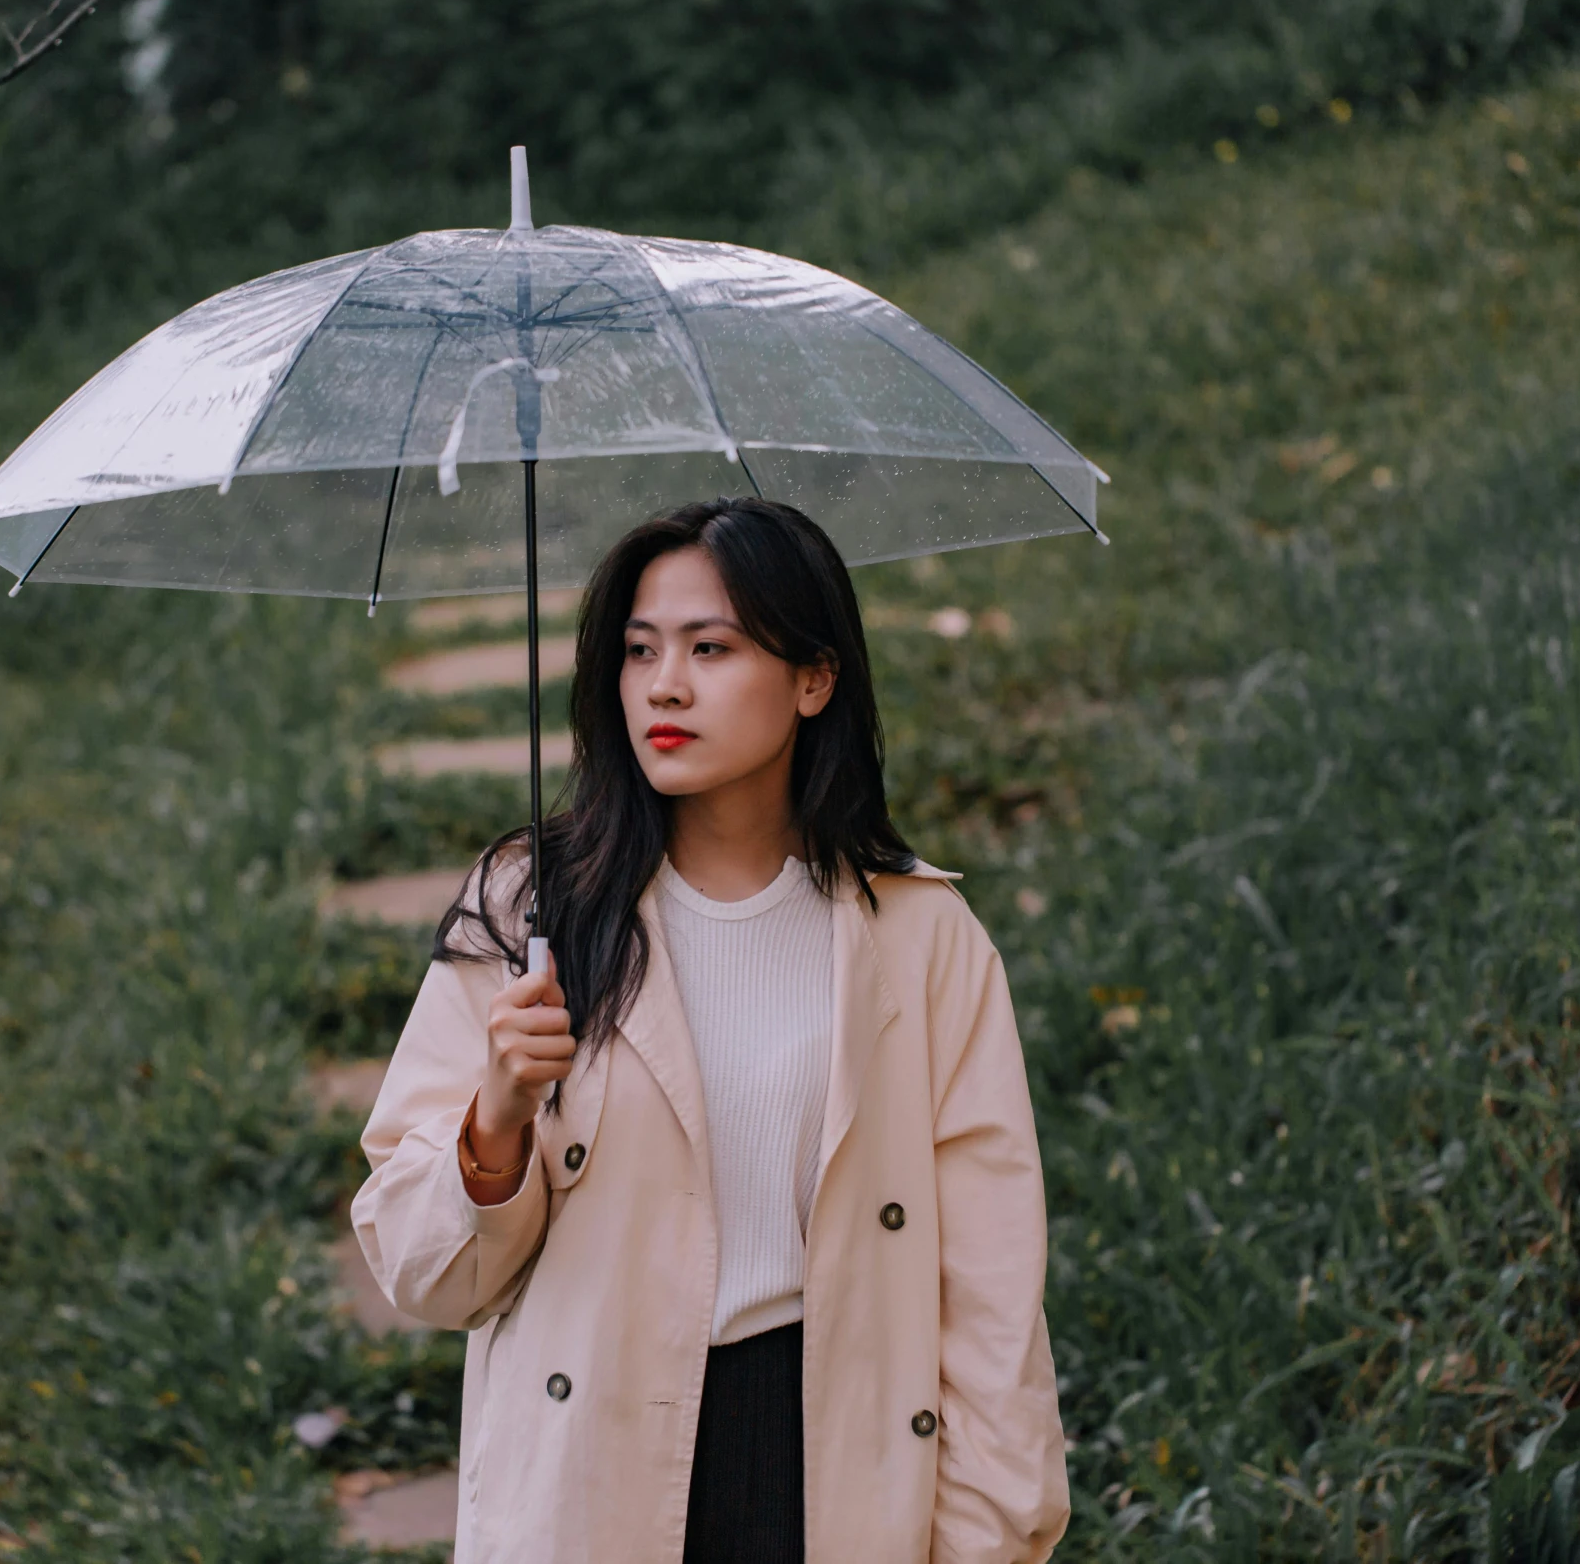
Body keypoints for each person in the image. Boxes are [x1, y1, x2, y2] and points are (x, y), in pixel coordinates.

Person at [352, 497, 1071, 1563]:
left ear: (814, 677)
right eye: (640, 651)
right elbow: (422, 1273)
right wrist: (495, 1114)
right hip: (597, 1460)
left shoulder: (922, 937)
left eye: (710, 647)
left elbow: (992, 1289)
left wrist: (984, 1536)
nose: (664, 686)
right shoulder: (534, 905)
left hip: (834, 1453)